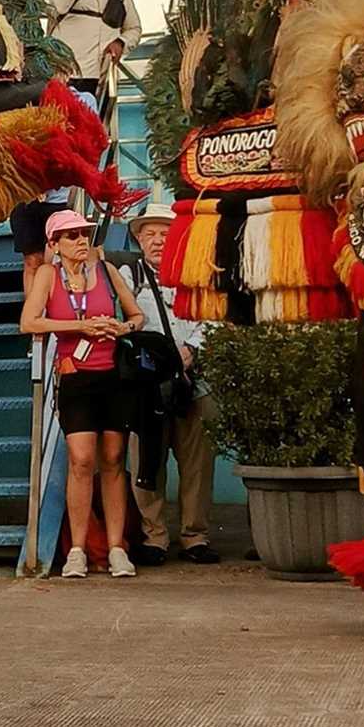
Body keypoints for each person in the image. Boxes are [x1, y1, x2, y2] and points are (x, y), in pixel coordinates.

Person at [20, 207, 144, 578]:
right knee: (81, 460)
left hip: (112, 373)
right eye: (71, 236)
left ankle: (116, 547)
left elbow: (137, 316)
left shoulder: (105, 271)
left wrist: (120, 328)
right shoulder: (48, 274)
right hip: (75, 375)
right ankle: (77, 549)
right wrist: (79, 327)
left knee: (114, 457)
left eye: (84, 234)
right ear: (54, 244)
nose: (80, 241)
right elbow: (29, 321)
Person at [124, 202, 215, 564]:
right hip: (148, 383)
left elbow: (213, 316)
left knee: (197, 460)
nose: (159, 241)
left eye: (166, 233)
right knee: (147, 458)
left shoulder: (197, 274)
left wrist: (192, 348)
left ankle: (195, 536)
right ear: (139, 239)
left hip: (196, 379)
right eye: (151, 234)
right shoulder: (128, 277)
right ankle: (154, 537)